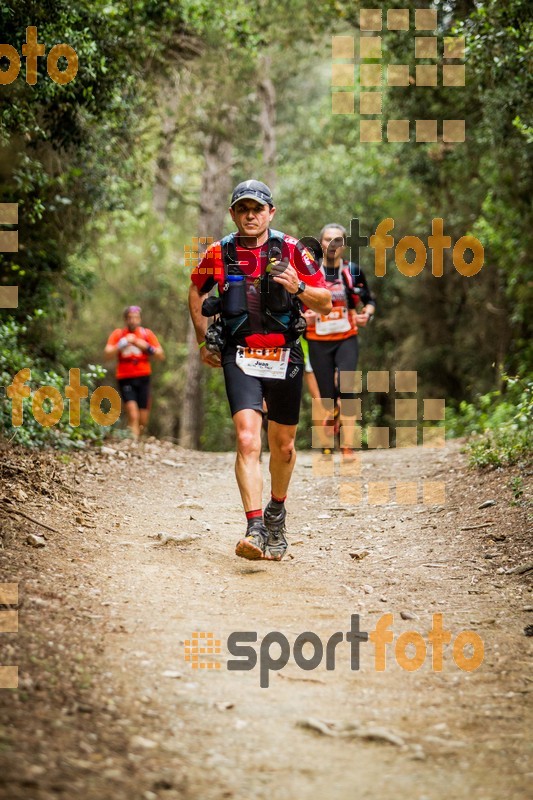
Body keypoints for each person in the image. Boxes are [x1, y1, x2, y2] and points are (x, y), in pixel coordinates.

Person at [188, 179, 331, 561]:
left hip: (286, 354)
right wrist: (204, 341)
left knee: (283, 447)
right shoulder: (220, 252)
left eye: (258, 209)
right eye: (243, 209)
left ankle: (276, 513)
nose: (251, 215)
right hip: (240, 355)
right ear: (233, 213)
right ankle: (253, 527)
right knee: (249, 440)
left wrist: (299, 287)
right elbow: (196, 289)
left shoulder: (293, 250)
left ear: (271, 213)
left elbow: (327, 303)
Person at [304, 224, 376, 458]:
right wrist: (306, 315)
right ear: (320, 243)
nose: (332, 245)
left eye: (337, 241)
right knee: (326, 396)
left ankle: (347, 444)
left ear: (343, 245)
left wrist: (367, 313)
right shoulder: (310, 272)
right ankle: (330, 422)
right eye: (327, 240)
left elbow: (369, 299)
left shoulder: (353, 271)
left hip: (347, 337)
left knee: (346, 388)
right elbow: (296, 302)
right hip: (317, 339)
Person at [104, 305, 164, 438]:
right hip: (125, 377)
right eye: (130, 318)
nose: (133, 320)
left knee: (143, 418)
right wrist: (122, 343)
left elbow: (160, 354)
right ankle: (133, 442)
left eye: (136, 318)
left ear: (140, 319)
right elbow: (107, 353)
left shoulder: (146, 334)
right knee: (133, 413)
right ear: (125, 319)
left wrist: (145, 346)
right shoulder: (119, 335)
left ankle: (140, 439)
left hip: (143, 376)